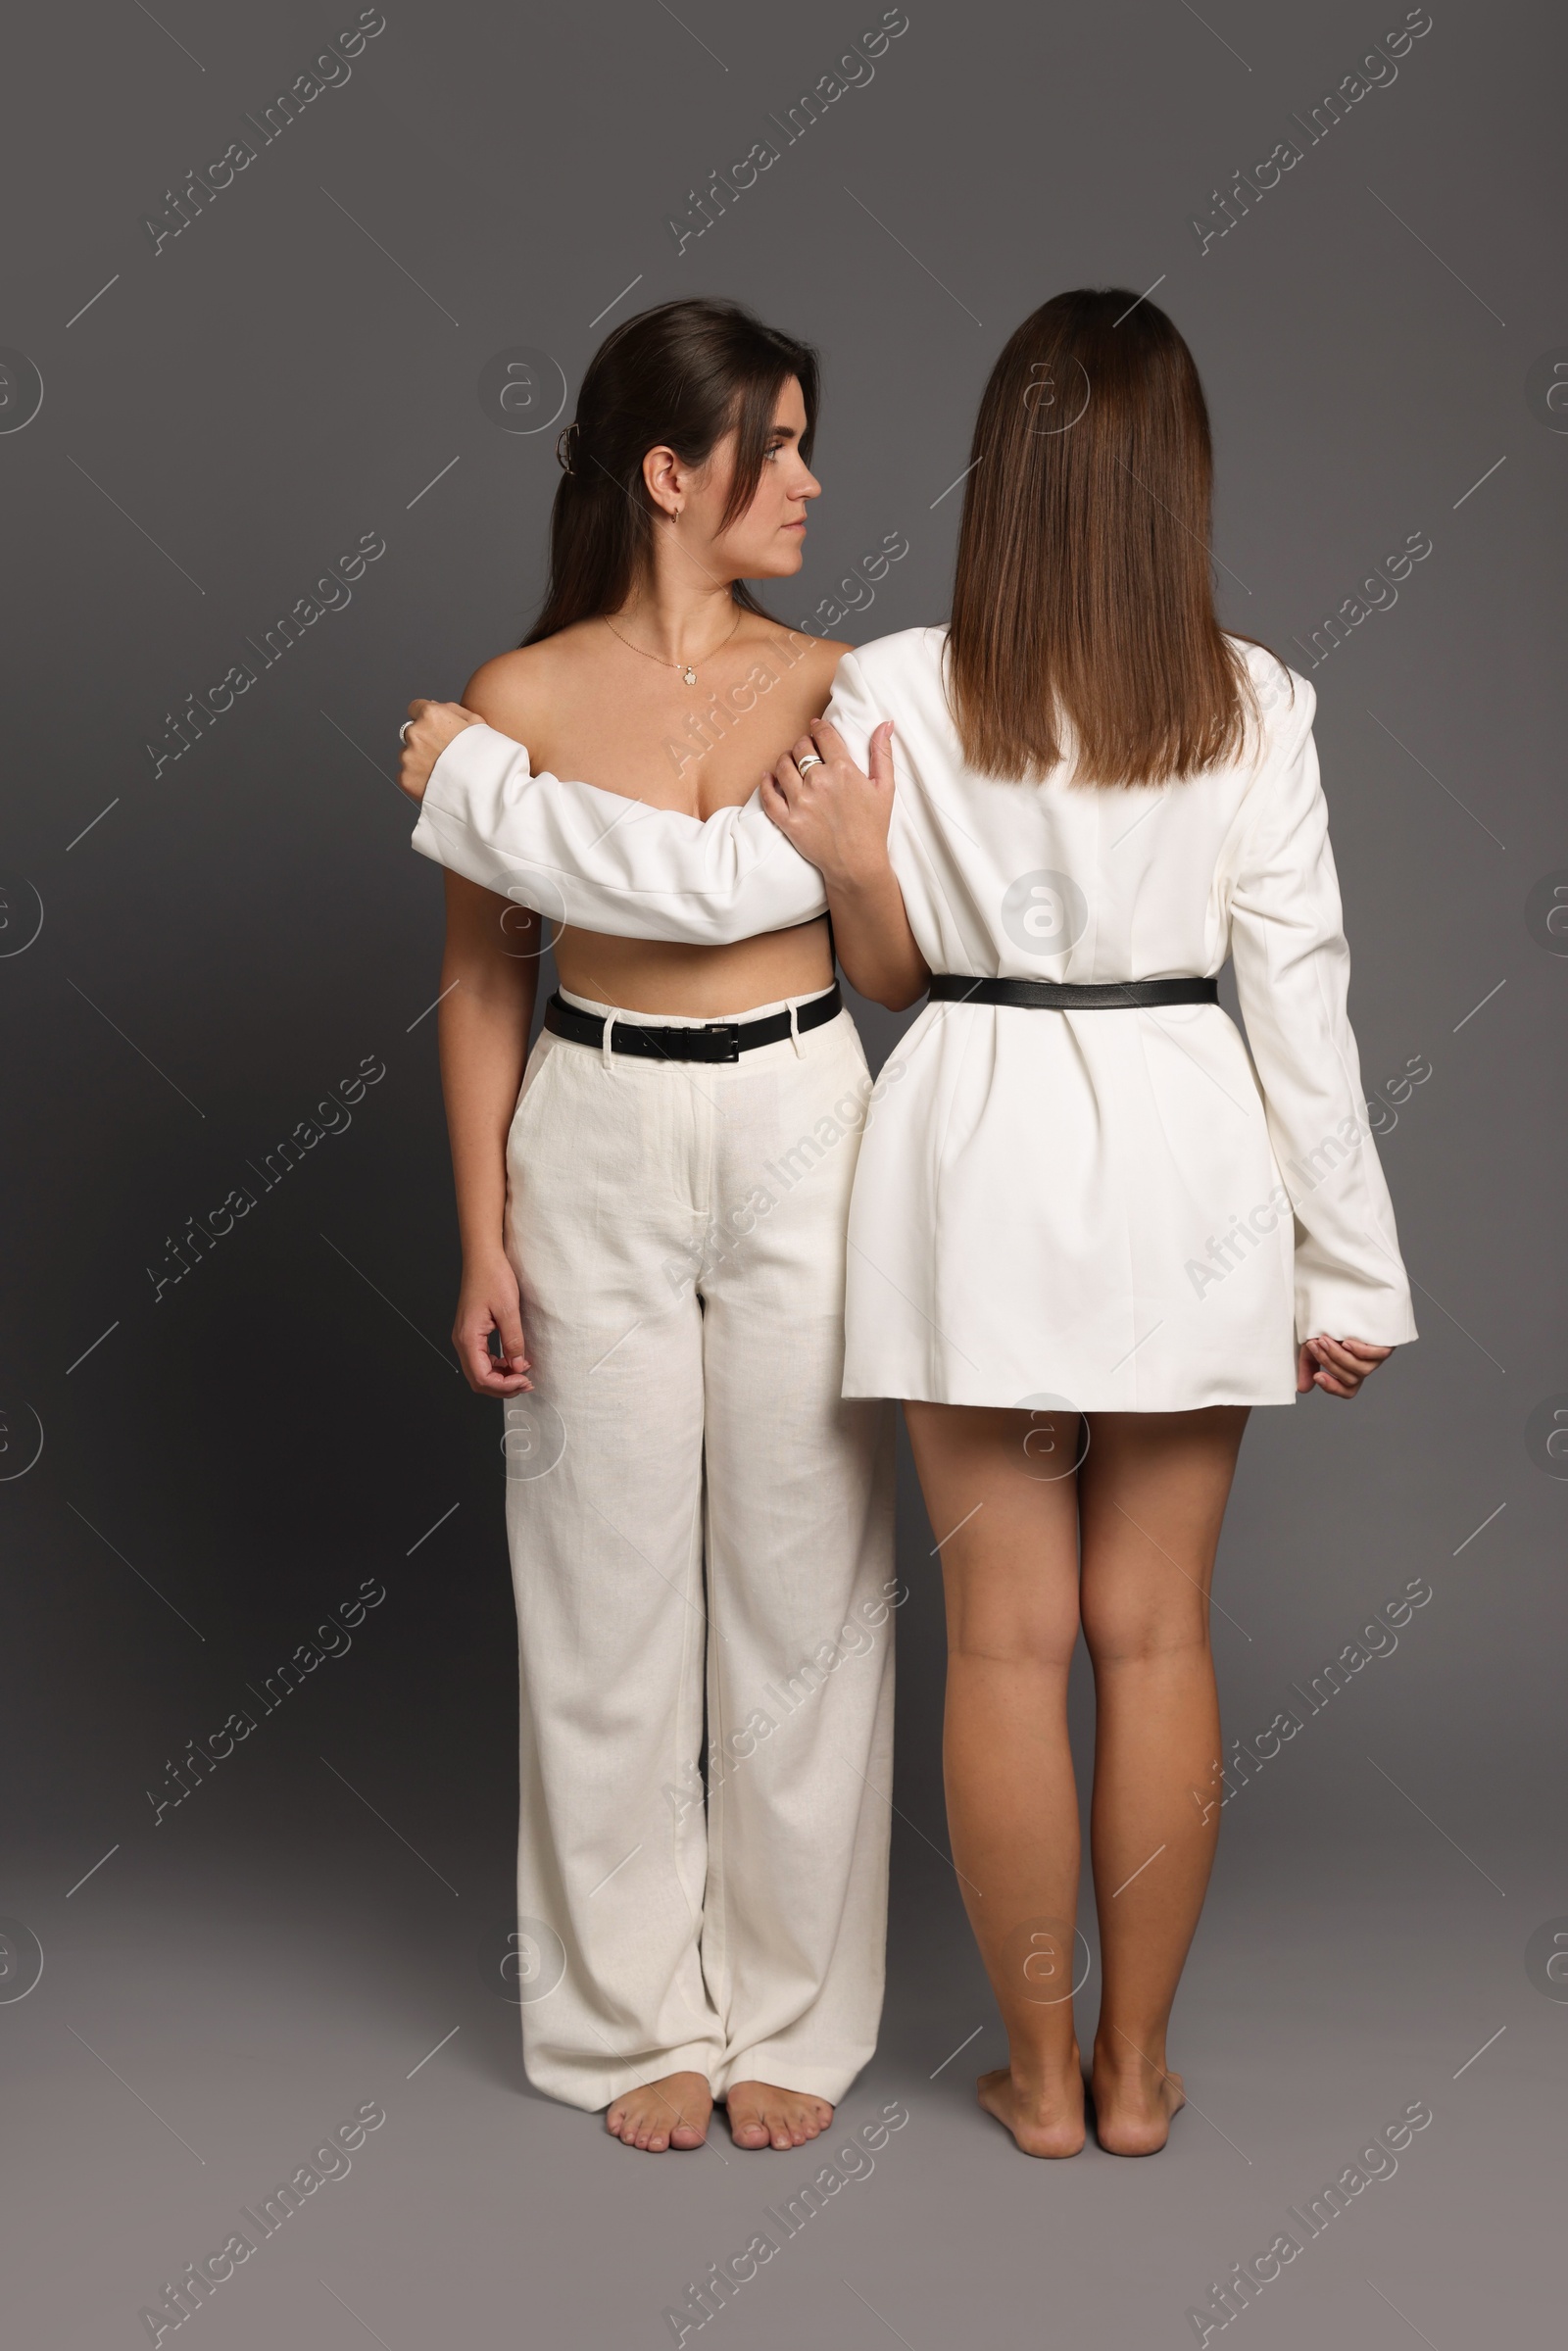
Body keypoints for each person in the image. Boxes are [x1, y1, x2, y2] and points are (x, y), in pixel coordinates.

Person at [404, 287, 1417, 2160]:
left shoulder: (883, 684)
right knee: (1157, 1639)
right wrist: (1346, 1268)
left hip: (959, 1149)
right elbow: (1306, 1002)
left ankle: (1025, 2077)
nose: (807, 473)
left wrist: (469, 788)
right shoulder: (1258, 699)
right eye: (773, 443)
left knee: (999, 1643)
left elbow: (772, 909)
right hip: (1182, 1162)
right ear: (1180, 483)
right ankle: (1128, 2074)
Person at [401, 297, 898, 2156]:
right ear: (670, 472)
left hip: (799, 1114)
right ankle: (629, 2021)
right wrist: (482, 1237)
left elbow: (886, 953)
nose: (812, 478)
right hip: (589, 1130)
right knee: (601, 1595)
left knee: (807, 1591)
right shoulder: (519, 700)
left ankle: (791, 2012)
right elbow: (479, 990)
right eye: (778, 444)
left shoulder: (843, 683)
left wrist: (858, 874)